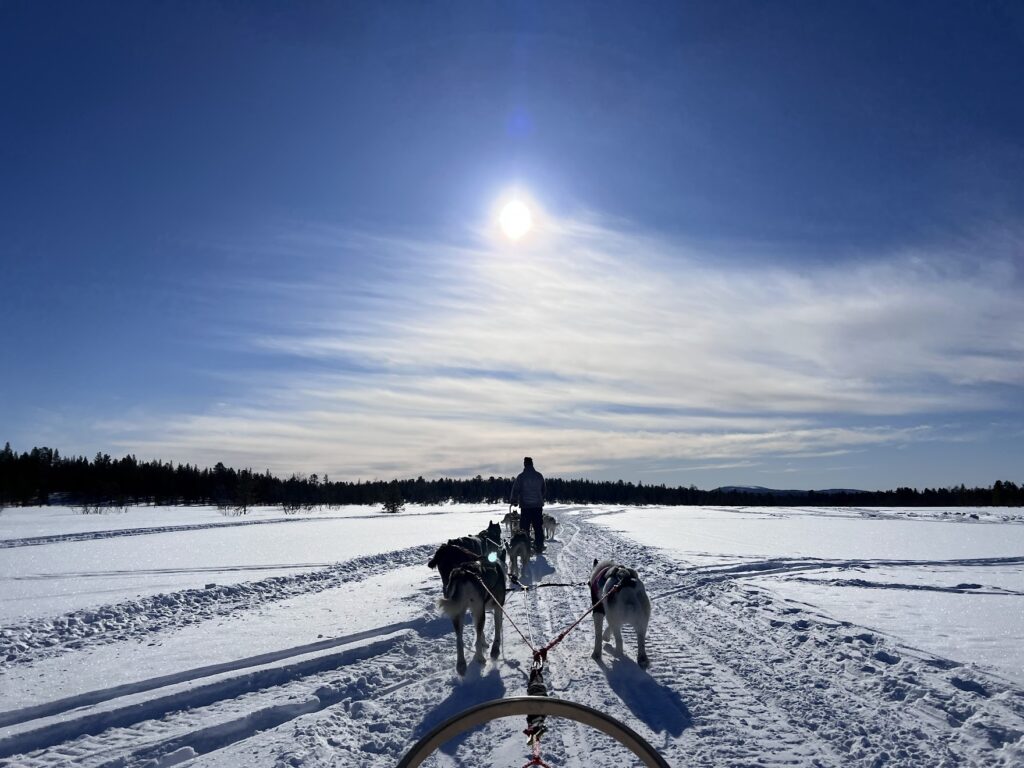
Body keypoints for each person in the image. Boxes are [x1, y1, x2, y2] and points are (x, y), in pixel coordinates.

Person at [510, 456, 546, 552]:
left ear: (525, 464)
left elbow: (516, 489)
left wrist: (514, 500)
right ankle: (539, 546)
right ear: (532, 464)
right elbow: (543, 489)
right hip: (537, 506)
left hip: (525, 506)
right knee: (538, 527)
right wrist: (539, 498)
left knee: (524, 528)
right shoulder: (539, 476)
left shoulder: (521, 477)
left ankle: (525, 547)